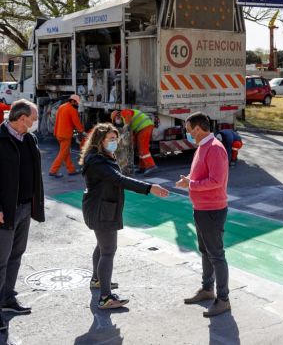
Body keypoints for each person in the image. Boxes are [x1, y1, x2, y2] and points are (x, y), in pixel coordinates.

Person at [81, 123, 169, 309]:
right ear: (100, 140)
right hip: (102, 210)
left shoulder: (100, 156)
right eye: (111, 139)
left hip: (101, 207)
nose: (115, 142)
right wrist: (149, 188)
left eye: (115, 138)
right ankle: (105, 297)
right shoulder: (97, 161)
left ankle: (98, 280)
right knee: (108, 251)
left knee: (102, 246)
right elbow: (118, 180)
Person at [0, 99, 44, 332]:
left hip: (24, 208)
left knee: (16, 255)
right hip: (3, 212)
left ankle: (7, 298)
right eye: (33, 118)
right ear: (22, 118)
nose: (35, 122)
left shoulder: (29, 139)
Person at [176, 112, 231, 318]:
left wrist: (191, 184)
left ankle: (223, 299)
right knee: (206, 251)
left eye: (189, 130)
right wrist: (189, 180)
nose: (188, 134)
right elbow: (202, 174)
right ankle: (208, 289)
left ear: (198, 129)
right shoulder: (202, 146)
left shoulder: (215, 149)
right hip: (201, 208)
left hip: (212, 210)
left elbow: (216, 180)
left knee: (216, 254)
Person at [50, 94, 85, 177]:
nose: (77, 104)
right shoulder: (72, 110)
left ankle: (71, 170)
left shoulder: (62, 106)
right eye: (76, 103)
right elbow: (76, 123)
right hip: (65, 135)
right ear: (72, 101)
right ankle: (53, 170)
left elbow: (57, 119)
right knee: (63, 153)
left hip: (58, 133)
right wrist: (82, 131)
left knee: (66, 153)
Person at [118, 108, 157, 175]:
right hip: (142, 128)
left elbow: (128, 122)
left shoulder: (124, 112)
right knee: (140, 148)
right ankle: (142, 167)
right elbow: (131, 130)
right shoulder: (124, 117)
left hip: (145, 127)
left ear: (117, 115)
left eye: (116, 119)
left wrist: (125, 127)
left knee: (143, 148)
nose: (117, 121)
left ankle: (151, 166)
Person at [110, 110, 135, 176]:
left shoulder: (127, 127)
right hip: (120, 154)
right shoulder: (113, 130)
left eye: (119, 116)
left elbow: (128, 141)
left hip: (128, 156)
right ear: (113, 119)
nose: (118, 118)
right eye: (116, 117)